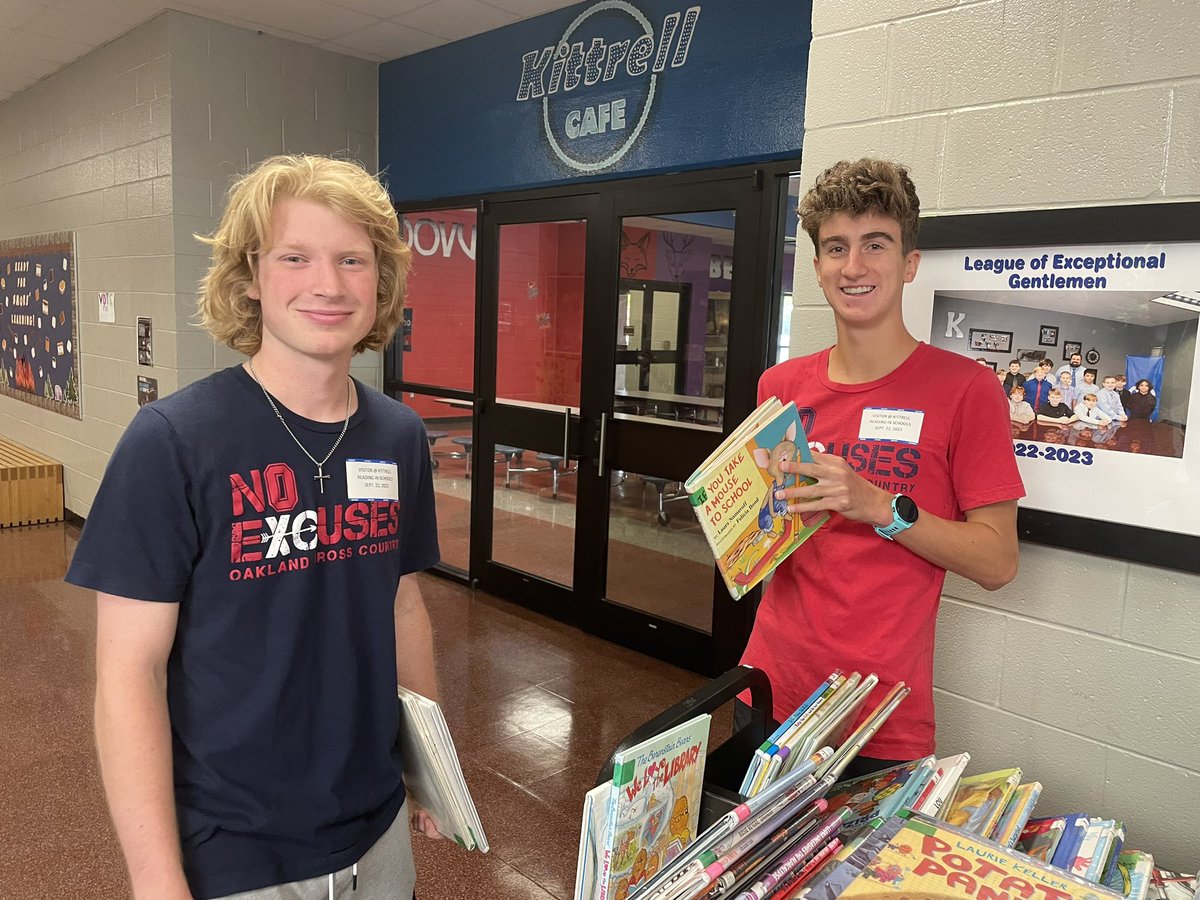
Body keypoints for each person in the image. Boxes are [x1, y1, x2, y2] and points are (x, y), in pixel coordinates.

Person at [66, 155, 446, 900]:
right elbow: (128, 673)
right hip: (231, 851)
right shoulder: (173, 441)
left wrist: (433, 773)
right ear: (250, 277)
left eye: (352, 260)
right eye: (295, 257)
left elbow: (402, 605)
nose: (329, 284)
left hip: (377, 829)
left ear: (381, 282)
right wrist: (155, 879)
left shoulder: (398, 436)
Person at [738, 159, 1023, 778]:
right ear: (816, 268)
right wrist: (737, 522)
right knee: (751, 877)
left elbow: (999, 562)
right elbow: (767, 536)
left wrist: (879, 507)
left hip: (880, 713)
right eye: (836, 247)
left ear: (909, 262)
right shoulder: (780, 386)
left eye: (875, 244)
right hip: (771, 687)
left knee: (859, 879)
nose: (854, 266)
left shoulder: (966, 390)